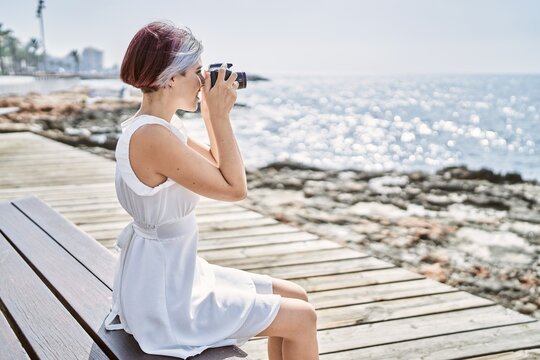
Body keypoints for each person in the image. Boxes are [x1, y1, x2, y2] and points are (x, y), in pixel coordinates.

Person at [103, 21, 319, 360]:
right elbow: (235, 189)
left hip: (172, 274)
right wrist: (219, 117)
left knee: (298, 296)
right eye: (197, 71)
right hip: (166, 298)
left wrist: (210, 113)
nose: (203, 82)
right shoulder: (152, 137)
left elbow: (220, 167)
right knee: (302, 318)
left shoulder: (160, 128)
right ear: (171, 77)